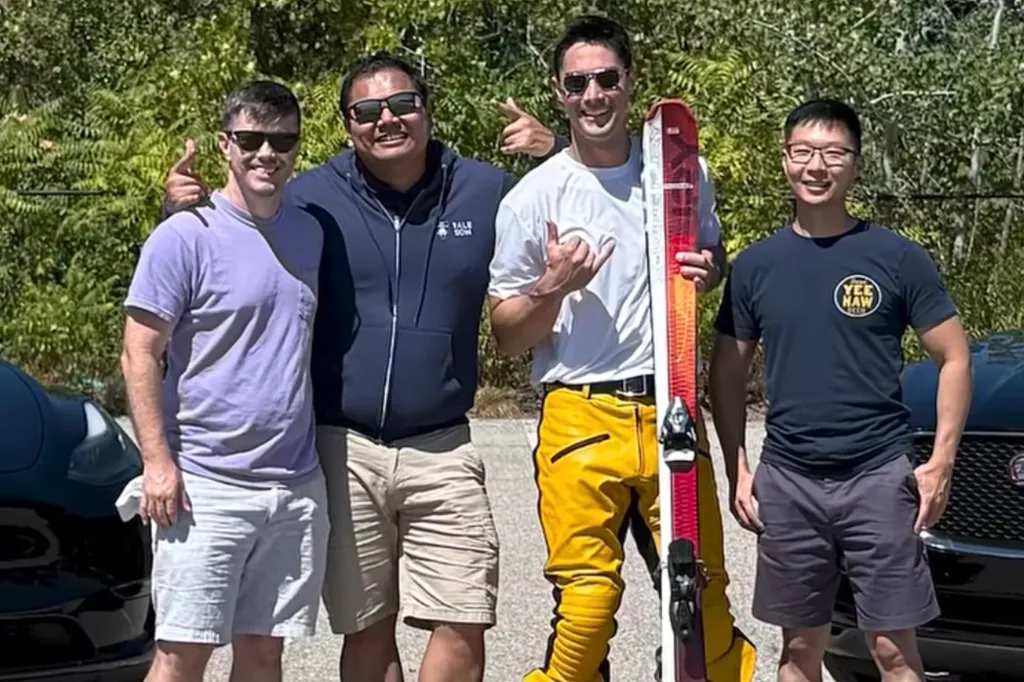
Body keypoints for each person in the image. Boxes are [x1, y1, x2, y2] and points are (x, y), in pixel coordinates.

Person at [161, 53, 559, 682]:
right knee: (368, 632)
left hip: (444, 446)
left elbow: (585, 194)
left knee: (465, 620)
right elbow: (238, 223)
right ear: (348, 125)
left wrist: (554, 151)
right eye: (367, 111)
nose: (387, 120)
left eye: (402, 104)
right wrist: (187, 206)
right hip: (341, 449)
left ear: (427, 110)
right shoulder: (313, 196)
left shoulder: (486, 189)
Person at [487, 14, 758, 682]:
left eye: (606, 79)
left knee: (704, 603)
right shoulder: (533, 198)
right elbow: (507, 336)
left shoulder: (680, 169)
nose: (594, 95)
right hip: (579, 414)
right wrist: (551, 287)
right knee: (587, 605)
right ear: (559, 92)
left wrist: (709, 266)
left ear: (629, 83)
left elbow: (710, 254)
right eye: (578, 83)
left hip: (670, 405)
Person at [708, 98, 972, 682]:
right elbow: (724, 376)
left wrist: (940, 462)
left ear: (854, 165)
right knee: (799, 652)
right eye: (802, 152)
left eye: (832, 153)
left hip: (878, 477)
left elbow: (954, 357)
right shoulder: (755, 267)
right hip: (790, 480)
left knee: (893, 653)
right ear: (784, 161)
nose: (816, 166)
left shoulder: (898, 258)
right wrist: (739, 468)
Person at [118, 80, 328, 682]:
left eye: (282, 139)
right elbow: (139, 353)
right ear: (224, 145)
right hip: (205, 487)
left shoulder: (310, 231)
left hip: (294, 486)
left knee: (264, 653)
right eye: (251, 139)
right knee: (182, 655)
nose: (267, 153)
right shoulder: (183, 235)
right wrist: (157, 462)